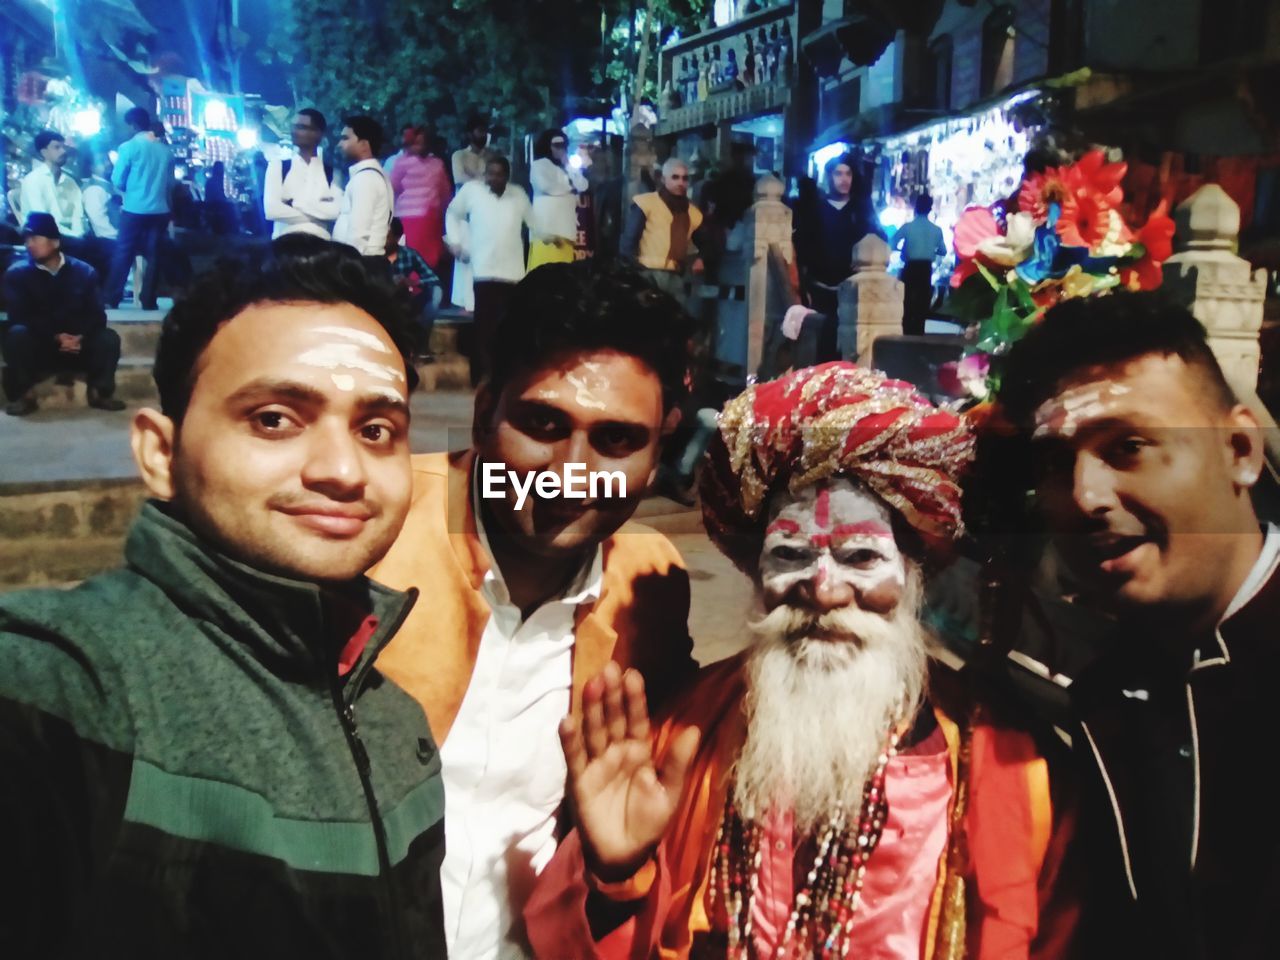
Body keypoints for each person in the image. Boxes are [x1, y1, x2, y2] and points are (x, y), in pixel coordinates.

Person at [526, 362, 1077, 959]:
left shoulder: (1011, 769)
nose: (823, 588)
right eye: (788, 554)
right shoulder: (681, 738)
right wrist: (616, 874)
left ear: (915, 573)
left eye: (861, 556)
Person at [0, 237, 447, 955]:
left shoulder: (395, 721)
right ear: (158, 453)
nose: (342, 469)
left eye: (376, 430)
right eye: (274, 418)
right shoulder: (63, 693)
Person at [369, 258, 698, 959]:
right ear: (484, 412)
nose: (569, 472)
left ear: (658, 449)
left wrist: (616, 870)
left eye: (616, 440)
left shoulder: (651, 584)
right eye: (544, 423)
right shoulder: (376, 527)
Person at [995, 291, 1275, 959]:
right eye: (1057, 464)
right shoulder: (1103, 690)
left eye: (1127, 447)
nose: (1086, 496)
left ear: (1240, 448)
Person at [2, 213, 123, 415]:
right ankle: (24, 395)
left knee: (108, 339)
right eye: (27, 239)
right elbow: (20, 315)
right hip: (41, 345)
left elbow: (96, 315)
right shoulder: (17, 274)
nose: (30, 244)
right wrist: (55, 337)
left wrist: (80, 336)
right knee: (16, 334)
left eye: (35, 238)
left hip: (78, 345)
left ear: (55, 242)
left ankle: (100, 392)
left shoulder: (84, 272)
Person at [445, 155, 533, 386]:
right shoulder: (472, 192)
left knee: (508, 327)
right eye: (491, 173)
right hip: (483, 269)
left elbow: (534, 224)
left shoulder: (518, 195)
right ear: (485, 175)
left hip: (512, 272)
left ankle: (503, 377)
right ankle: (482, 377)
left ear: (507, 176)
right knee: (484, 326)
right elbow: (452, 213)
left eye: (500, 174)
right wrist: (455, 242)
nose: (495, 178)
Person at [793, 152, 879, 360]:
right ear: (829, 177)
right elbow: (802, 248)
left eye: (848, 174)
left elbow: (877, 239)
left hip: (855, 290)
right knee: (823, 346)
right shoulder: (815, 210)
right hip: (821, 290)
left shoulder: (861, 209)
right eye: (838, 174)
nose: (844, 179)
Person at [104, 108, 174, 311]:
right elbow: (170, 184)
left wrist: (130, 190)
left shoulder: (128, 147)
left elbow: (117, 179)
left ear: (132, 125)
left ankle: (112, 297)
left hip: (134, 209)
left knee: (123, 252)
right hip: (160, 210)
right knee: (155, 256)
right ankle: (149, 299)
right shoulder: (165, 151)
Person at [620, 157, 703, 302]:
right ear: (664, 179)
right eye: (675, 177)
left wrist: (702, 259)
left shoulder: (692, 212)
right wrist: (635, 270)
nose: (680, 183)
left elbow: (705, 242)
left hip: (675, 276)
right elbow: (629, 239)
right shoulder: (647, 203)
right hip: (648, 274)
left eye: (684, 178)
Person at [263, 107, 342, 239]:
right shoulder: (278, 166)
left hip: (321, 246)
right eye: (294, 127)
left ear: (318, 133)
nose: (294, 132)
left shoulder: (332, 173)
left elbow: (336, 212)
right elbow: (272, 210)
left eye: (302, 127)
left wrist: (294, 203)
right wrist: (319, 214)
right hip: (285, 244)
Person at [390, 125, 452, 269]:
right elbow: (393, 187)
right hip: (407, 221)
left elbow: (445, 194)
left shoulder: (437, 164)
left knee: (428, 261)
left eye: (423, 143)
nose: (419, 147)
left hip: (430, 221)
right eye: (416, 143)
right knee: (409, 259)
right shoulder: (401, 162)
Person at [333, 115, 394, 257]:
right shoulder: (372, 175)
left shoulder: (366, 178)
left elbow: (358, 235)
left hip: (360, 266)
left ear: (364, 144)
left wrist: (347, 269)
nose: (339, 144)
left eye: (345, 138)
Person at [529, 128, 589, 271]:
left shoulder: (566, 168)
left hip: (566, 234)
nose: (560, 149)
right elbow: (546, 186)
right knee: (542, 276)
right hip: (547, 235)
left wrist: (568, 165)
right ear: (547, 146)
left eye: (563, 146)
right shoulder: (539, 165)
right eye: (556, 146)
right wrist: (569, 188)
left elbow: (583, 185)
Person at [450, 114, 492, 312]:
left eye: (484, 131)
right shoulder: (459, 156)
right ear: (469, 133)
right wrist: (483, 178)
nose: (482, 134)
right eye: (479, 131)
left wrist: (475, 176)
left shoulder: (492, 155)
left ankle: (482, 302)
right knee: (466, 258)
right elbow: (460, 178)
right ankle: (466, 305)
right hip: (466, 212)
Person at [385, 216, 442, 362]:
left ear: (397, 238)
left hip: (405, 302)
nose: (383, 239)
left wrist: (412, 282)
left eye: (387, 236)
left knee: (436, 292)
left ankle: (422, 346)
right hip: (381, 301)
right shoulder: (373, 254)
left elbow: (433, 278)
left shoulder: (409, 254)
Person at [893, 194, 946, 337]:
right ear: (930, 209)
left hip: (910, 266)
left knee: (907, 297)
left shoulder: (908, 227)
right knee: (922, 299)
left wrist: (902, 249)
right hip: (925, 267)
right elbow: (943, 250)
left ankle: (905, 328)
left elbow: (892, 242)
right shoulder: (936, 230)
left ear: (916, 207)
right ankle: (919, 329)